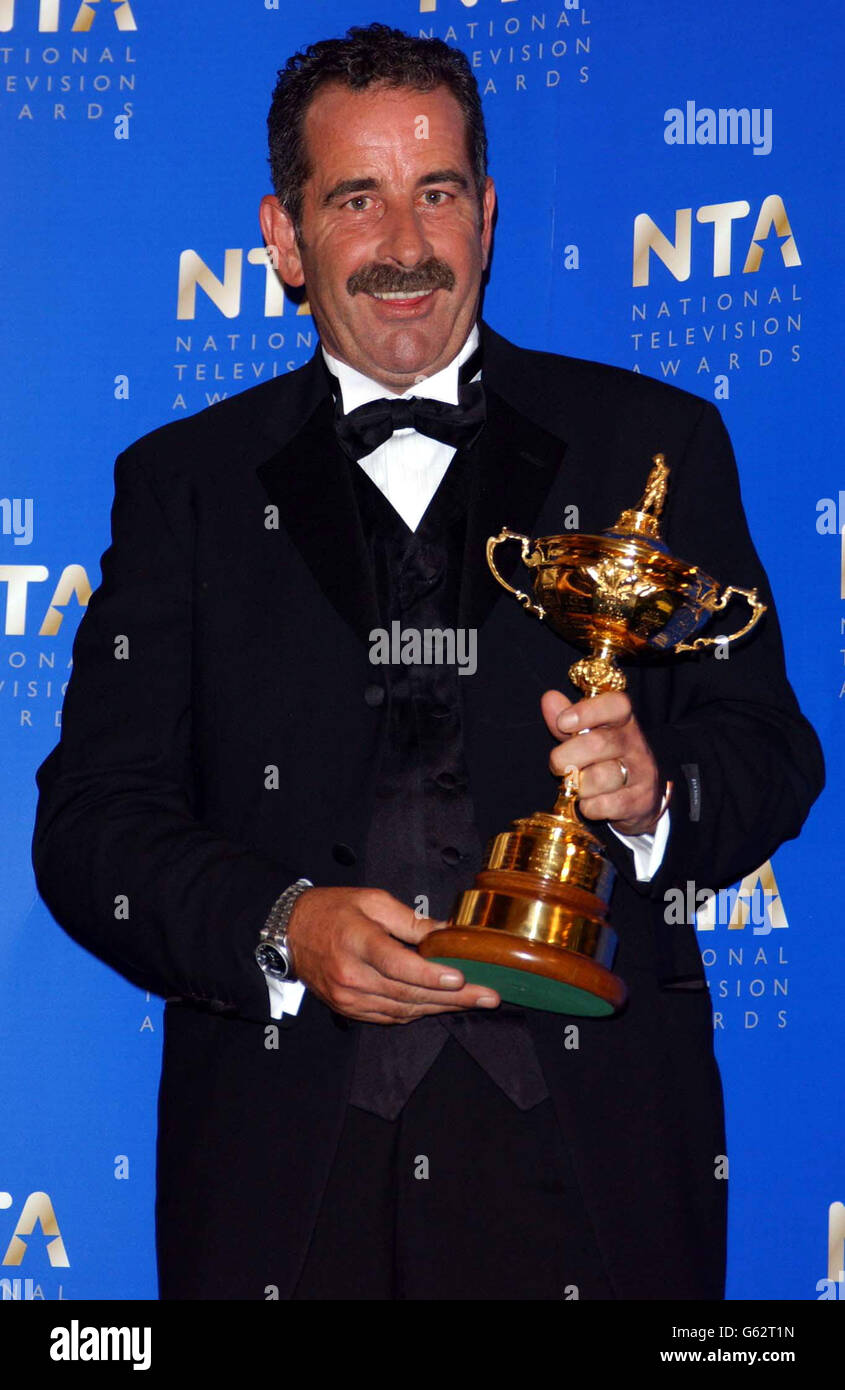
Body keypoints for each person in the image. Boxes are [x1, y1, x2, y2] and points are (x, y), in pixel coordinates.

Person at [32, 23, 823, 1300]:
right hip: (289, 1179)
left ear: (488, 214)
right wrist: (284, 927)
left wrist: (656, 798)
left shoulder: (651, 444)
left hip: (595, 1162)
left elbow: (772, 753)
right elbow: (90, 826)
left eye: (437, 192)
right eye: (357, 198)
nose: (405, 246)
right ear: (284, 237)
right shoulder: (183, 486)